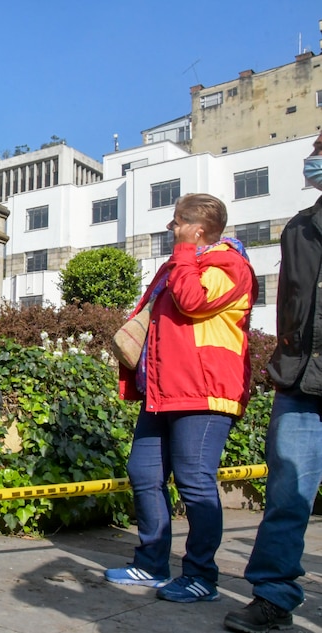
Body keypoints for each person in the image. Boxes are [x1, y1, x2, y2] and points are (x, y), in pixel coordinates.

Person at [105, 193, 257, 603]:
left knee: (195, 483)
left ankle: (202, 577)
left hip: (205, 392)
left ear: (198, 229)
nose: (171, 229)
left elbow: (193, 303)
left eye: (177, 222)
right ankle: (153, 563)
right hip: (165, 390)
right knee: (144, 473)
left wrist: (185, 253)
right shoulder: (179, 265)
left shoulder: (230, 265)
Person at [223, 131, 322, 633]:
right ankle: (273, 596)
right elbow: (292, 304)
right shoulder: (300, 230)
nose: (314, 159)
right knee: (288, 492)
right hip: (302, 382)